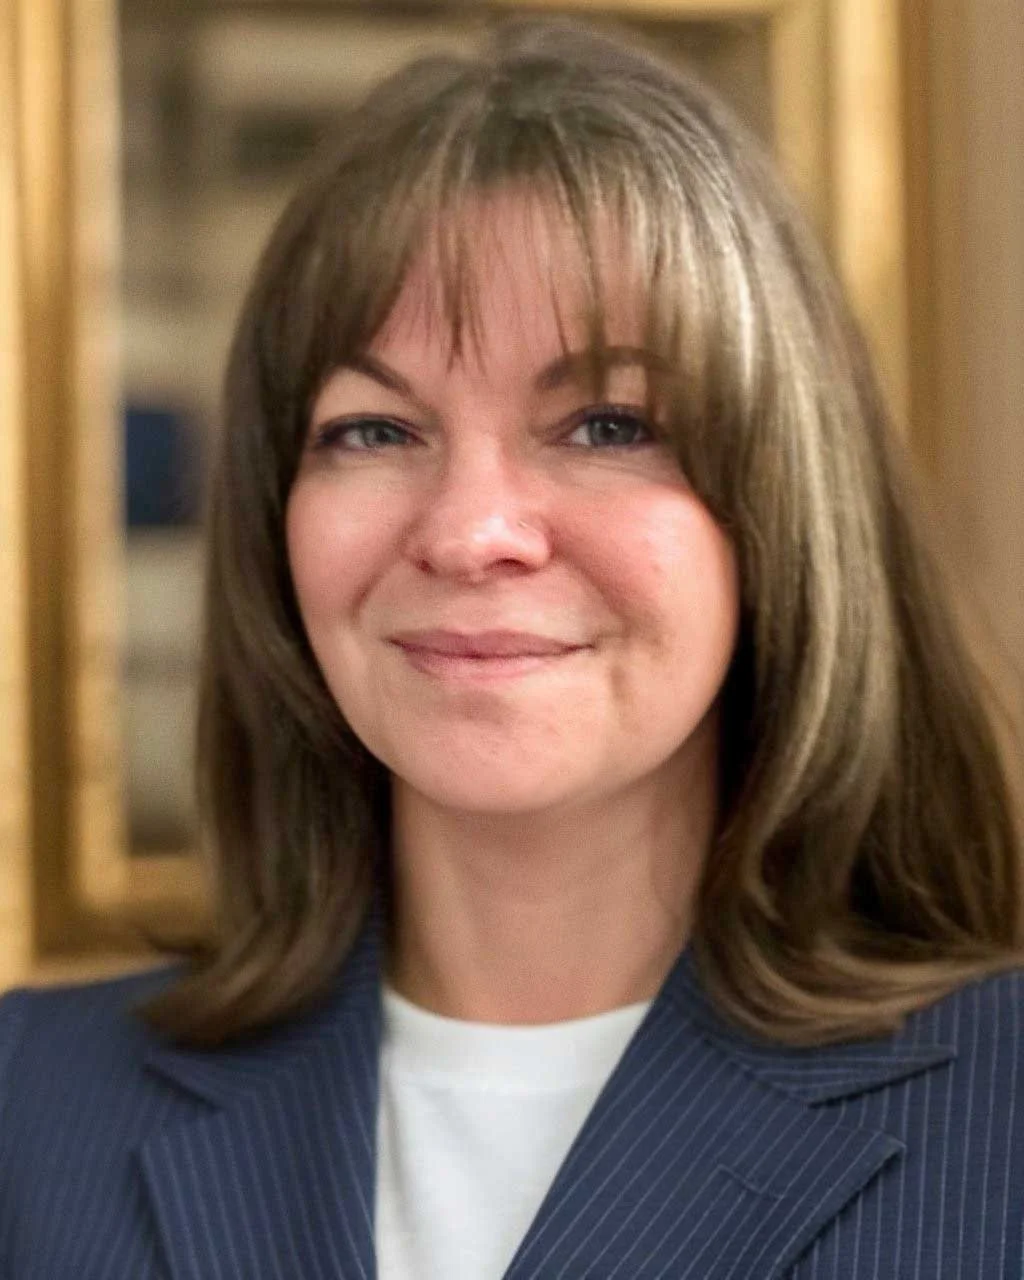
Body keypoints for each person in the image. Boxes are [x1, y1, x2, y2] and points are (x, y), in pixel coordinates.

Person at [2, 17, 1022, 1279]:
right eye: (375, 431)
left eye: (606, 424)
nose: (470, 531)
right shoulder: (30, 1105)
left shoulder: (1002, 1118)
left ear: (779, 508)